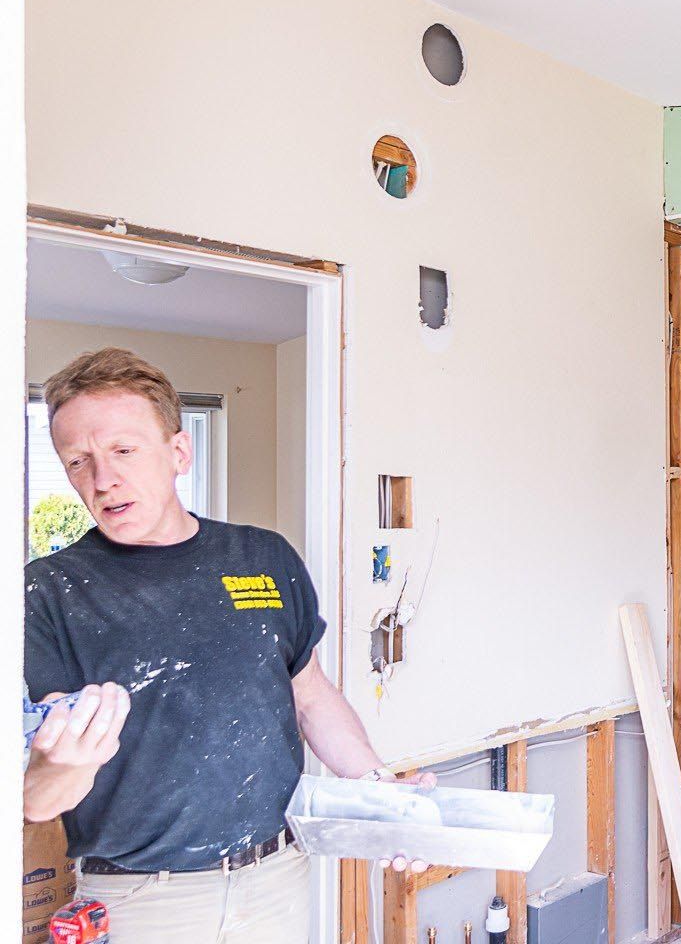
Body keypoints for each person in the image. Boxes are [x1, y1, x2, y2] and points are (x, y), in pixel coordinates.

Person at [23, 348, 433, 943]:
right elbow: (41, 799)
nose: (102, 480)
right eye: (77, 461)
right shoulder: (49, 591)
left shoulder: (264, 558)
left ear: (179, 452)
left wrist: (378, 789)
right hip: (142, 900)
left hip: (279, 879)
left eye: (123, 451)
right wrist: (56, 770)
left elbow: (310, 696)